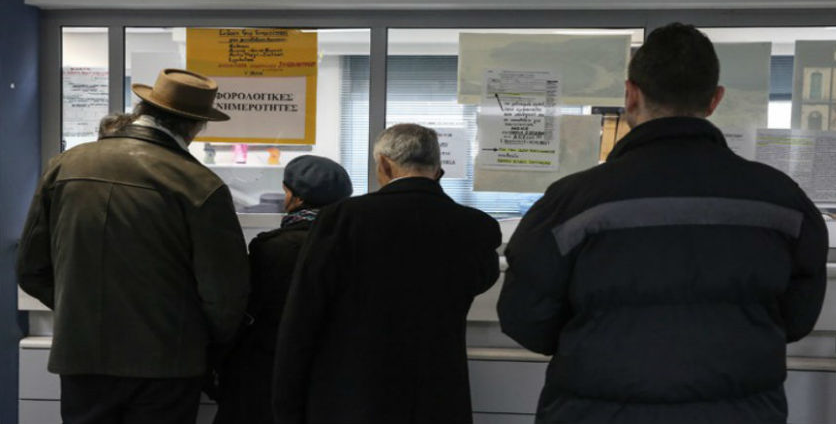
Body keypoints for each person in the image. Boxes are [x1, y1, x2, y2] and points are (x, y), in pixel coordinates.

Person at [497, 23, 829, 424]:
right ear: (715, 99)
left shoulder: (572, 201)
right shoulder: (782, 200)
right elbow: (797, 318)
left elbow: (524, 319)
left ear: (631, 94)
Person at [17, 68, 250, 424]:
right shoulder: (200, 185)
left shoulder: (65, 166)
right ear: (194, 126)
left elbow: (30, 270)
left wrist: (80, 312)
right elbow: (224, 295)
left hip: (82, 357)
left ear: (143, 109)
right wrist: (203, 342)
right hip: (167, 364)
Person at [272, 123, 502, 424]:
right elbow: (478, 280)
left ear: (383, 164)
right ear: (438, 168)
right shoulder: (477, 227)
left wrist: (286, 406)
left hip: (352, 396)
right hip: (437, 397)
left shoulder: (342, 219)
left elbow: (303, 317)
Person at [214, 155, 353, 424]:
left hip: (268, 371)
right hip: (332, 375)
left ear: (295, 198)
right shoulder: (355, 248)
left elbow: (245, 311)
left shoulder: (271, 248)